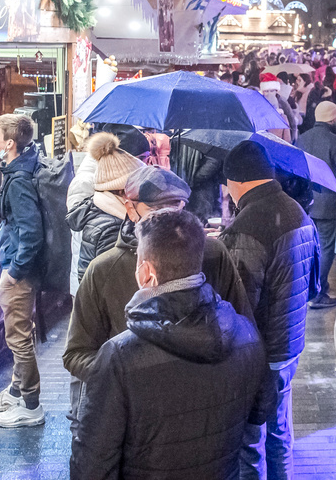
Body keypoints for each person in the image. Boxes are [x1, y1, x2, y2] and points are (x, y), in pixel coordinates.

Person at [70, 208, 270, 480]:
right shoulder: (246, 333)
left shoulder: (120, 355)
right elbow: (260, 411)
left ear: (146, 272)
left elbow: (92, 466)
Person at [63, 167, 252, 423]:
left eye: (177, 209)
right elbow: (76, 353)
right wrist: (125, 377)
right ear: (130, 209)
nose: (168, 223)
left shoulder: (212, 253)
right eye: (156, 213)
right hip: (139, 417)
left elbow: (243, 327)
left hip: (204, 409)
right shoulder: (104, 269)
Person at [219, 141, 321, 480]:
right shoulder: (297, 211)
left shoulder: (249, 225)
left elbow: (238, 300)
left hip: (257, 351)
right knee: (279, 432)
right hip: (289, 345)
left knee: (250, 440)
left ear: (236, 181)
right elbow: (315, 286)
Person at [0, 113, 47, 427]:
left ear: (9, 143)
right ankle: (16, 391)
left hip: (19, 269)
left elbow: (31, 231)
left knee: (18, 337)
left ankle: (31, 405)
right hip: (18, 263)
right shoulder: (20, 168)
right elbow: (13, 215)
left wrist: (15, 271)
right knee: (22, 332)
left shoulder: (19, 179)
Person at [68, 132, 144, 280]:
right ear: (124, 190)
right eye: (139, 187)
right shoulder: (112, 227)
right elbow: (109, 286)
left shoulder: (112, 214)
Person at [297, 100, 336, 309]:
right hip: (328, 204)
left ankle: (310, 287)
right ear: (332, 118)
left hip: (306, 202)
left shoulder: (302, 139)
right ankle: (317, 292)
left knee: (310, 247)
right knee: (326, 248)